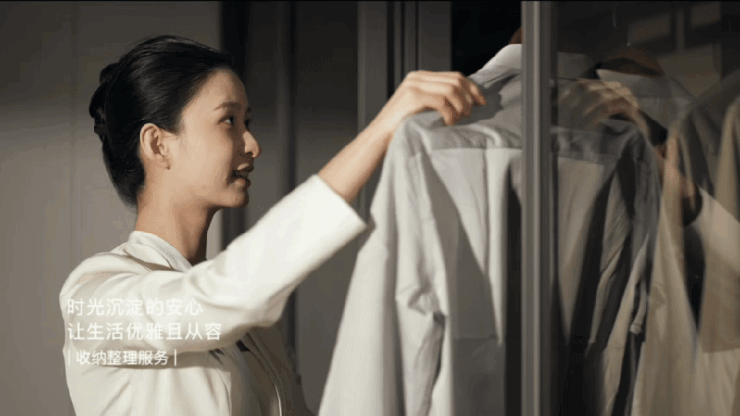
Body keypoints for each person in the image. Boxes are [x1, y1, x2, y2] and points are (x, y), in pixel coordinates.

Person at [58, 35, 486, 416]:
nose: (252, 145)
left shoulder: (256, 329)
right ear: (158, 144)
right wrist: (381, 131)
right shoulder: (93, 301)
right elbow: (223, 295)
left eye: (248, 122)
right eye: (229, 120)